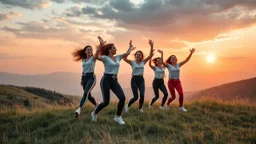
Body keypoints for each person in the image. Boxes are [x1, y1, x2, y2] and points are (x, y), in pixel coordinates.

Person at [91, 40, 136, 125]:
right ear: (109, 50)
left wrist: (130, 47)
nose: (116, 49)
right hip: (106, 80)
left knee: (122, 98)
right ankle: (94, 113)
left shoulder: (118, 57)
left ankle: (118, 117)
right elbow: (95, 56)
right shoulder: (105, 58)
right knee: (106, 102)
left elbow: (127, 53)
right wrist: (100, 45)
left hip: (114, 80)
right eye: (114, 48)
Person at [73, 36, 106, 118]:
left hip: (91, 77)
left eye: (91, 49)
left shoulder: (93, 58)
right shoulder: (83, 60)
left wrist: (100, 45)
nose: (90, 50)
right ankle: (96, 104)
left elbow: (97, 52)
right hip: (84, 78)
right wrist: (81, 79)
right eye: (88, 49)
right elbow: (83, 69)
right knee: (89, 95)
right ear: (85, 51)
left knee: (85, 93)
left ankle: (79, 109)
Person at [124, 40, 154, 113]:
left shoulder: (143, 62)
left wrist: (151, 46)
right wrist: (129, 48)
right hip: (134, 79)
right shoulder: (132, 62)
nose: (138, 55)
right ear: (135, 55)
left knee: (142, 94)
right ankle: (128, 105)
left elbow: (150, 55)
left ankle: (140, 108)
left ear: (141, 56)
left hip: (141, 79)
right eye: (137, 54)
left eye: (140, 55)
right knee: (135, 97)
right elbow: (124, 58)